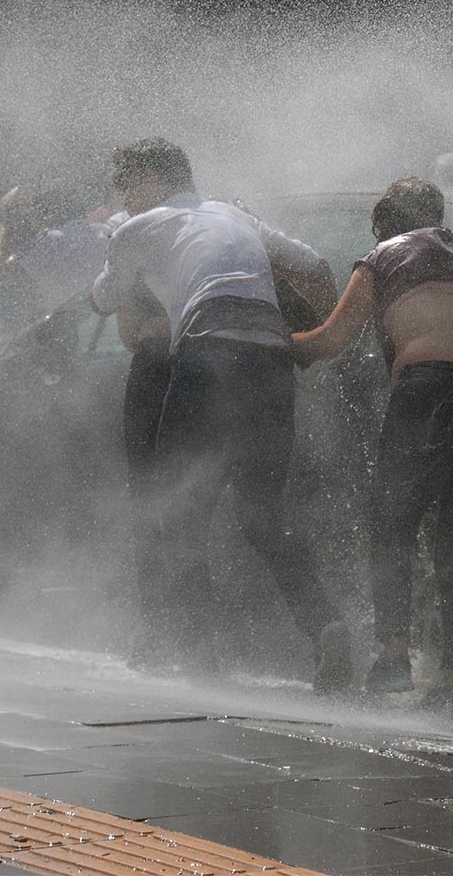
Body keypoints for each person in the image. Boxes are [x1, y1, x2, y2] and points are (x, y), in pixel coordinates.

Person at [89, 137, 348, 685]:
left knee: (176, 509)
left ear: (155, 182)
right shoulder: (237, 214)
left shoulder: (138, 227)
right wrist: (320, 338)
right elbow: (316, 265)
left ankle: (201, 659)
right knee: (263, 514)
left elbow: (105, 299)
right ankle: (325, 627)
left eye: (128, 187)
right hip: (272, 360)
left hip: (208, 352)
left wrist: (115, 247)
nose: (126, 199)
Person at [291, 177, 453, 706]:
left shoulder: (383, 255)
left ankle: (392, 660)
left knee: (393, 524)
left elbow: (333, 340)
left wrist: (277, 341)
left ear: (385, 222)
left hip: (430, 389)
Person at [0, 182, 108, 329]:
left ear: (52, 214)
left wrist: (5, 220)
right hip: (91, 324)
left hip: (56, 326)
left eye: (34, 214)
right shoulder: (102, 234)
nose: (31, 222)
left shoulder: (51, 241)